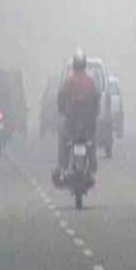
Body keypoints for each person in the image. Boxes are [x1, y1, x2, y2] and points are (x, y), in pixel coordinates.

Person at [56, 49, 100, 178]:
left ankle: (63, 165)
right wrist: (94, 114)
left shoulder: (69, 81)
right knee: (92, 141)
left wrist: (62, 110)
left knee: (64, 141)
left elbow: (61, 98)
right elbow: (96, 99)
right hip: (88, 124)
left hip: (71, 122)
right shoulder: (90, 81)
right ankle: (92, 164)